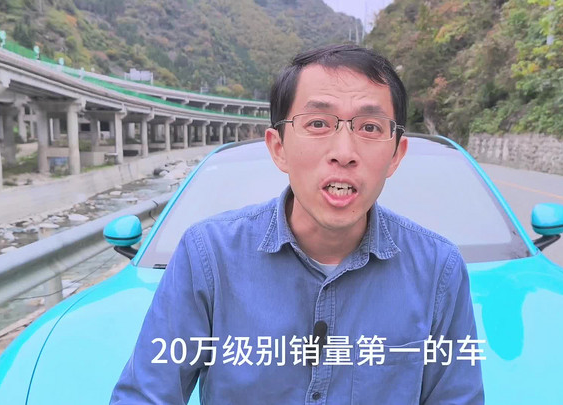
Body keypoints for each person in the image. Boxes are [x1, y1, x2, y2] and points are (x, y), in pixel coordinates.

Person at [111, 44, 484, 404]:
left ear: (396, 155)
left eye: (370, 127)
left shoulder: (438, 270)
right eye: (318, 123)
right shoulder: (208, 257)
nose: (344, 153)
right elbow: (147, 395)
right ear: (278, 148)